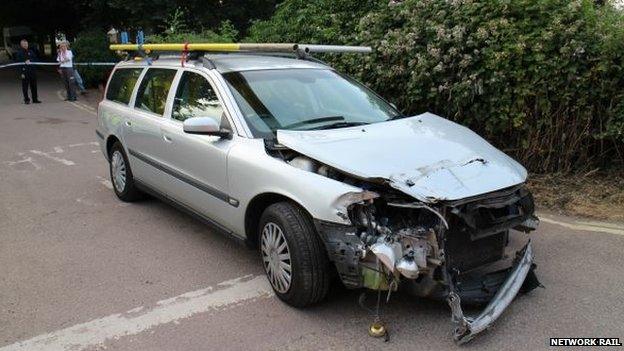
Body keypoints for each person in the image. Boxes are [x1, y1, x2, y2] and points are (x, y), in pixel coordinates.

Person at [15, 39, 40, 104]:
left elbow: (36, 59)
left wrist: (30, 60)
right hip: (25, 72)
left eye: (27, 44)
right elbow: (18, 64)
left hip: (32, 71)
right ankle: (26, 100)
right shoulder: (19, 53)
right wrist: (21, 73)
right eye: (24, 44)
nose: (26, 45)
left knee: (34, 86)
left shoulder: (31, 51)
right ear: (21, 45)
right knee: (25, 87)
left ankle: (35, 99)